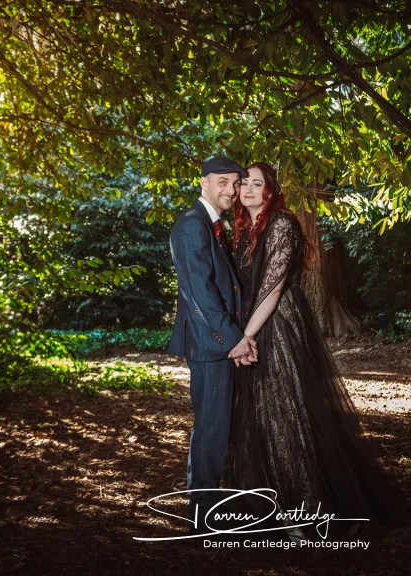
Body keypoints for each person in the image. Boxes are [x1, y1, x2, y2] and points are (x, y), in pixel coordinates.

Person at [222, 162, 410, 542]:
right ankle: (272, 503)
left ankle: (308, 510)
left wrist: (244, 337)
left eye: (258, 184)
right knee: (260, 414)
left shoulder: (282, 224)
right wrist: (239, 336)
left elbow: (273, 289)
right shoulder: (242, 230)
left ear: (271, 190)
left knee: (286, 411)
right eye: (245, 184)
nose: (248, 189)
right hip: (252, 326)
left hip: (278, 322)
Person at [166, 156, 257, 536]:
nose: (232, 191)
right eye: (223, 182)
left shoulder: (209, 225)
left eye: (236, 184)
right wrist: (233, 340)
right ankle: (201, 516)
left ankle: (206, 508)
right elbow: (201, 292)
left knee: (217, 425)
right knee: (212, 428)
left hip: (217, 340)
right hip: (210, 343)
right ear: (203, 182)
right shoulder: (191, 225)